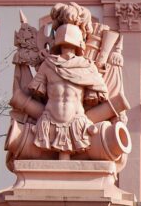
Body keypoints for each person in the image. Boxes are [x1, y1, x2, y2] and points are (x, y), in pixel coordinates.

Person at [29, 22, 109, 155]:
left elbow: (98, 94)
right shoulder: (48, 64)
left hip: (76, 123)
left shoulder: (87, 67)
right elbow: (36, 91)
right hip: (49, 124)